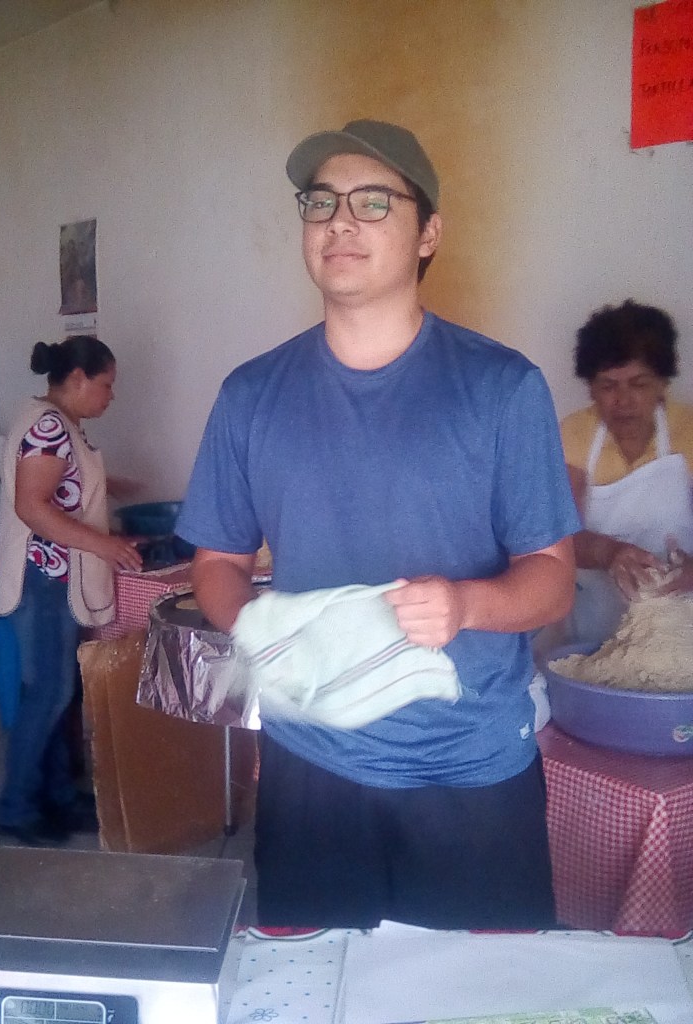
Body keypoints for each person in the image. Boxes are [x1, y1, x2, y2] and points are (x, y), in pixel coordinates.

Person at [178, 119, 579, 930]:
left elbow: (552, 579)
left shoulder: (503, 388)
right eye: (320, 201)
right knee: (313, 980)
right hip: (310, 767)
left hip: (469, 772)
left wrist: (463, 605)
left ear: (428, 233)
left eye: (372, 202)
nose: (339, 221)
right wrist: (260, 628)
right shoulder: (251, 395)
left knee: (478, 991)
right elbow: (218, 562)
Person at [0, 335, 142, 846]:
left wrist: (109, 486)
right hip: (43, 580)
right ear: (77, 378)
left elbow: (62, 482)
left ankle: (57, 796)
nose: (111, 396)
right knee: (49, 695)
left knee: (58, 693)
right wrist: (105, 545)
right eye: (106, 384)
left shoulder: (54, 422)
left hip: (55, 581)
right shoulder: (49, 425)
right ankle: (14, 808)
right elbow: (32, 507)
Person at [559, 300, 693, 645]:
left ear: (662, 383)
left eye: (639, 384)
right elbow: (559, 536)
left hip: (682, 627)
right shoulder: (574, 435)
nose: (624, 400)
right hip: (597, 625)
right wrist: (610, 553)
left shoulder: (688, 430)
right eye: (608, 386)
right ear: (591, 389)